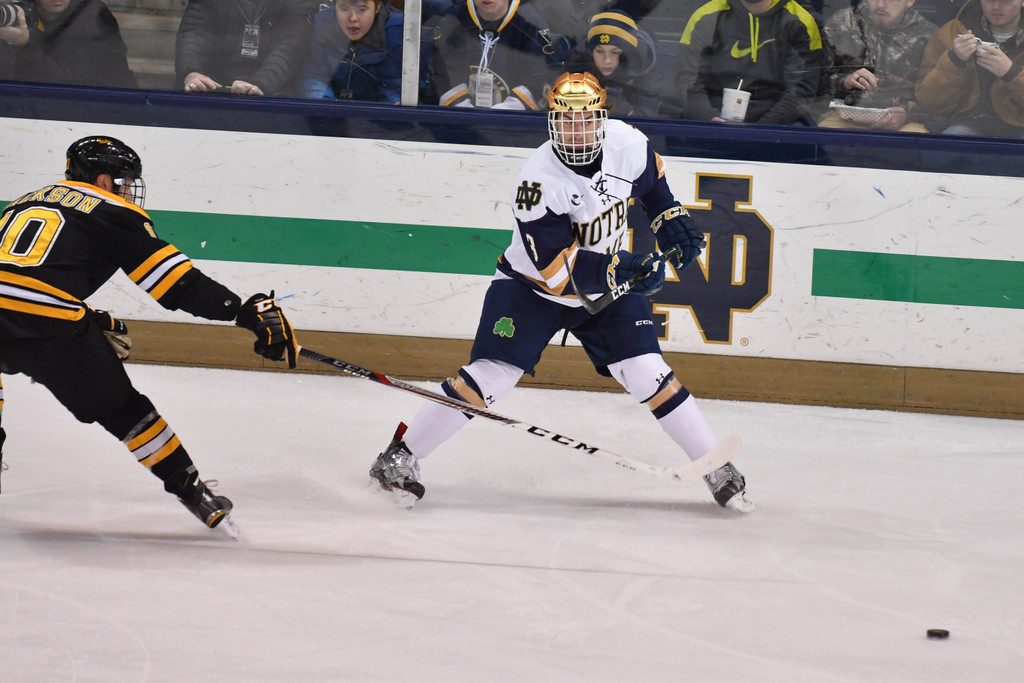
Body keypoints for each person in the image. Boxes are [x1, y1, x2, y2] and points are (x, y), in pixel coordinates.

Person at [368, 72, 755, 513]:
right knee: (491, 376)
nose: (576, 130)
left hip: (607, 286)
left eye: (585, 120)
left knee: (647, 371)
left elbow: (653, 184)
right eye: (566, 121)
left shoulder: (627, 144)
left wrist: (669, 218)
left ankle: (714, 465)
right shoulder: (537, 182)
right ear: (552, 122)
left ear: (601, 119)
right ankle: (400, 456)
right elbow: (555, 273)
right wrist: (622, 266)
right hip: (531, 289)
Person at [0, 136, 299, 531]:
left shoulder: (25, 200)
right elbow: (174, 283)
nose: (127, 190)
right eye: (123, 181)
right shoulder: (113, 210)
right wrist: (242, 312)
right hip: (51, 323)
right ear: (102, 179)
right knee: (125, 411)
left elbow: (18, 278)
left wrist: (92, 318)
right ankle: (191, 490)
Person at [675, 0, 828, 125]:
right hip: (709, 126)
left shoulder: (800, 21)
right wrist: (710, 119)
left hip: (777, 130)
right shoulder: (706, 16)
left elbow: (802, 91)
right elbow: (688, 79)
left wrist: (763, 129)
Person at [426, 0, 568, 109]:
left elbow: (541, 74)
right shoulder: (454, 19)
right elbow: (441, 69)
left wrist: (506, 111)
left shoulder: (530, 21)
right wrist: (464, 111)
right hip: (461, 124)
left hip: (512, 129)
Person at [820, 0, 937, 132]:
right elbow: (816, 83)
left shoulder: (928, 36)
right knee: (825, 134)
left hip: (903, 123)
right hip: (845, 115)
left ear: (909, 1)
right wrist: (844, 81)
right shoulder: (843, 22)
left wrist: (907, 114)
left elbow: (936, 98)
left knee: (916, 138)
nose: (881, 5)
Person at [915, 0, 1024, 137]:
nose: (996, 7)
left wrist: (1011, 73)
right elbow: (929, 103)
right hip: (968, 123)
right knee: (944, 150)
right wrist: (954, 61)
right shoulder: (951, 33)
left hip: (1020, 125)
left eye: (1005, 1)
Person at [175, 0, 316, 96]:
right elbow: (194, 31)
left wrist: (260, 84)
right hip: (209, 90)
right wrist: (191, 72)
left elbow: (290, 46)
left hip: (270, 97)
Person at [0, 0, 137, 88]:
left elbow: (63, 83)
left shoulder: (92, 15)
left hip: (109, 108)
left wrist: (25, 45)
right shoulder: (23, 12)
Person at [298, 0, 404, 103]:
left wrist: (391, 108)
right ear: (335, 7)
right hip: (335, 115)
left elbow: (393, 87)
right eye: (344, 9)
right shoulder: (323, 25)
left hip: (376, 115)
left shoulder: (396, 31)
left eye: (362, 9)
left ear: (377, 7)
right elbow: (315, 77)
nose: (353, 18)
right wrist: (327, 109)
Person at [564, 9, 660, 117]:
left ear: (625, 54)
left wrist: (620, 106)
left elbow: (646, 120)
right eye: (599, 51)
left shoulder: (642, 68)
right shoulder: (577, 66)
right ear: (590, 53)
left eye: (614, 52)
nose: (607, 60)